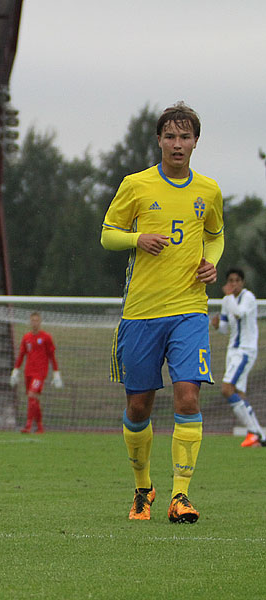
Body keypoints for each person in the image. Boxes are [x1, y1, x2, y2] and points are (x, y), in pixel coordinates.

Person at [101, 101, 224, 524]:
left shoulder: (208, 190)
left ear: (195, 142)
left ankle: (181, 495)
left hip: (189, 309)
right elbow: (107, 236)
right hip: (140, 313)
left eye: (185, 137)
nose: (177, 144)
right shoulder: (136, 185)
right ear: (158, 140)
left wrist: (211, 262)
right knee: (139, 407)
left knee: (188, 395)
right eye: (170, 136)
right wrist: (137, 238)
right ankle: (142, 489)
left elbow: (215, 236)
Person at [210, 268, 266, 447]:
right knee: (240, 394)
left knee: (227, 389)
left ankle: (255, 433)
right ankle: (260, 435)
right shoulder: (228, 301)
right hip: (232, 350)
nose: (233, 284)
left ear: (242, 283)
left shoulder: (247, 297)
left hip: (245, 350)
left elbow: (240, 313)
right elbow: (226, 327)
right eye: (230, 280)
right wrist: (218, 325)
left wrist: (228, 297)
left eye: (236, 280)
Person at [9, 312, 62, 433]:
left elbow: (51, 356)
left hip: (40, 373)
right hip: (28, 372)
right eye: (32, 320)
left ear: (40, 322)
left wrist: (56, 373)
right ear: (30, 322)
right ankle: (40, 426)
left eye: (37, 320)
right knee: (33, 400)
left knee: (32, 395)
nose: (34, 323)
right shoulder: (26, 338)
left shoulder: (46, 337)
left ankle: (28, 425)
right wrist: (16, 371)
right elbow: (22, 355)